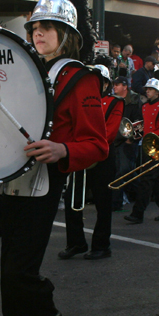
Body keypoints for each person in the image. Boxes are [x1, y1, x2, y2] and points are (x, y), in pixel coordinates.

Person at [0, 0, 107, 316]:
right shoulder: (26, 72)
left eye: (47, 27)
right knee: (10, 281)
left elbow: (97, 143)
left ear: (66, 34)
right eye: (34, 27)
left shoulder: (79, 77)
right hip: (11, 180)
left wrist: (63, 149)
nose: (38, 32)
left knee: (20, 276)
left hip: (43, 180)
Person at [60, 64, 123, 260]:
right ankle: (76, 242)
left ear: (106, 84)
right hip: (82, 155)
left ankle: (102, 245)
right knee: (72, 201)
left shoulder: (115, 103)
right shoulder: (80, 99)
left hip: (102, 157)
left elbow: (110, 133)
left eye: (100, 82)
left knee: (103, 204)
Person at [123, 78, 159, 225]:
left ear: (158, 92)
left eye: (150, 89)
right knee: (155, 181)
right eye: (147, 89)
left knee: (146, 180)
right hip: (146, 145)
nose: (147, 91)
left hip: (158, 147)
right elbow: (145, 127)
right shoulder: (145, 107)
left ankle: (138, 213)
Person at [111, 76, 141, 211]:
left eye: (117, 85)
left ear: (125, 86)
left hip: (127, 140)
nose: (114, 87)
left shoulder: (134, 101)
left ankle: (116, 202)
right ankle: (143, 192)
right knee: (125, 172)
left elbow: (139, 121)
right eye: (114, 84)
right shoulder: (115, 100)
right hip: (117, 139)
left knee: (123, 172)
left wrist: (132, 138)